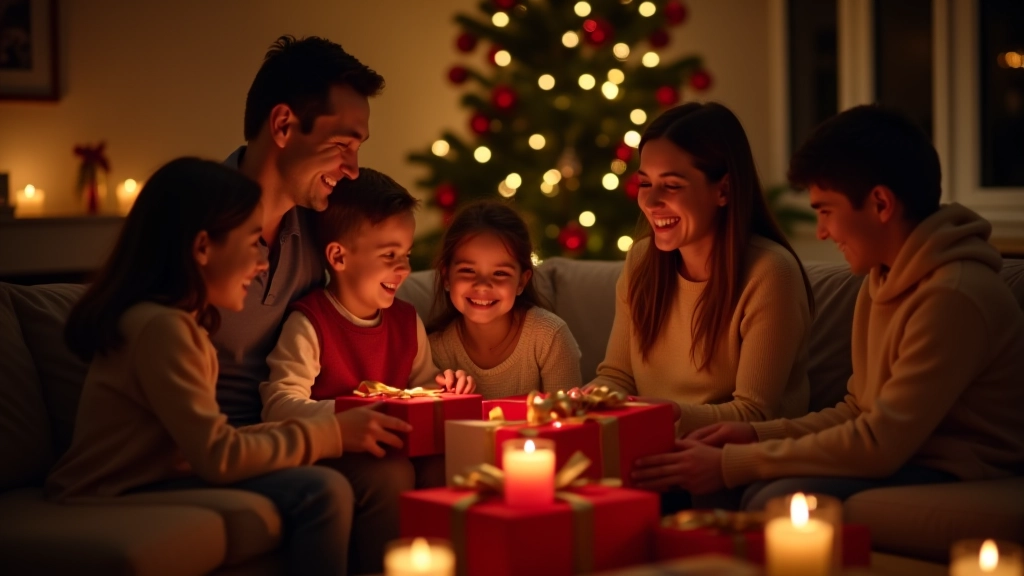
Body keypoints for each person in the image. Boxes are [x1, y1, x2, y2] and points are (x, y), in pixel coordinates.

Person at [643, 105, 1024, 511]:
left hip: (955, 468)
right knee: (759, 495)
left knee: (770, 500)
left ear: (880, 203)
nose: (822, 232)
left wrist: (733, 463)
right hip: (908, 456)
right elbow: (857, 410)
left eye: (826, 211)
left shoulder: (953, 296)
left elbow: (880, 442)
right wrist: (753, 436)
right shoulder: (881, 280)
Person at [46, 158, 412, 576]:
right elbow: (218, 454)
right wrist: (331, 432)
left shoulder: (184, 323)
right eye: (252, 241)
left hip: (161, 475)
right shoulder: (161, 329)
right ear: (203, 247)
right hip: (112, 491)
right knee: (319, 490)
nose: (261, 263)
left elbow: (208, 443)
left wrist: (333, 433)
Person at [587, 102, 814, 448]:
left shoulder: (770, 273)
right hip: (650, 442)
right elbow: (618, 376)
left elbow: (754, 414)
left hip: (732, 458)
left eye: (672, 185)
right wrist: (589, 400)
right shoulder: (641, 261)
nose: (651, 202)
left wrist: (655, 414)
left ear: (723, 190)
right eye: (645, 183)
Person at [216, 34, 384, 427]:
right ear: (283, 125)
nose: (353, 169)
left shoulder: (324, 222)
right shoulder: (193, 223)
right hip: (213, 445)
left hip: (296, 424)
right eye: (343, 144)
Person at [260, 168, 466, 423]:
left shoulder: (407, 322)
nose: (404, 269)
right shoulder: (310, 325)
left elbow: (423, 388)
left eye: (407, 255)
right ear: (339, 256)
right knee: (392, 467)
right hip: (341, 450)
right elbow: (279, 405)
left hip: (398, 443)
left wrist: (446, 390)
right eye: (390, 255)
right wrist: (355, 415)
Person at [427, 200, 583, 399]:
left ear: (521, 282)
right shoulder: (435, 349)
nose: (482, 285)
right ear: (446, 277)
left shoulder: (549, 337)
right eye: (468, 270)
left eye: (500, 273)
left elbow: (569, 420)